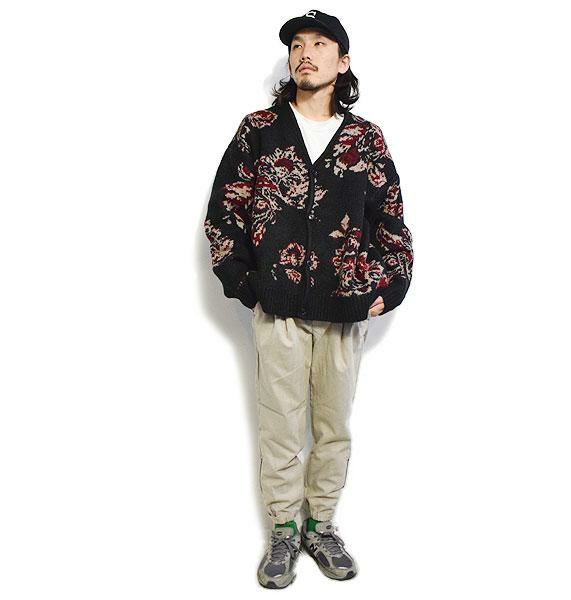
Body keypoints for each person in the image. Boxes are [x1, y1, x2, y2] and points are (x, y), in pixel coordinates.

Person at [203, 9, 414, 589]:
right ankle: (283, 532)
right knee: (279, 426)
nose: (306, 53)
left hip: (345, 307)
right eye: (298, 44)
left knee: (333, 426)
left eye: (320, 44)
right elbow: (225, 211)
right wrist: (244, 282)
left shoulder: (365, 139)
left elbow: (391, 220)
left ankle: (321, 526)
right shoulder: (260, 130)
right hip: (279, 308)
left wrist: (387, 286)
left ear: (342, 62)